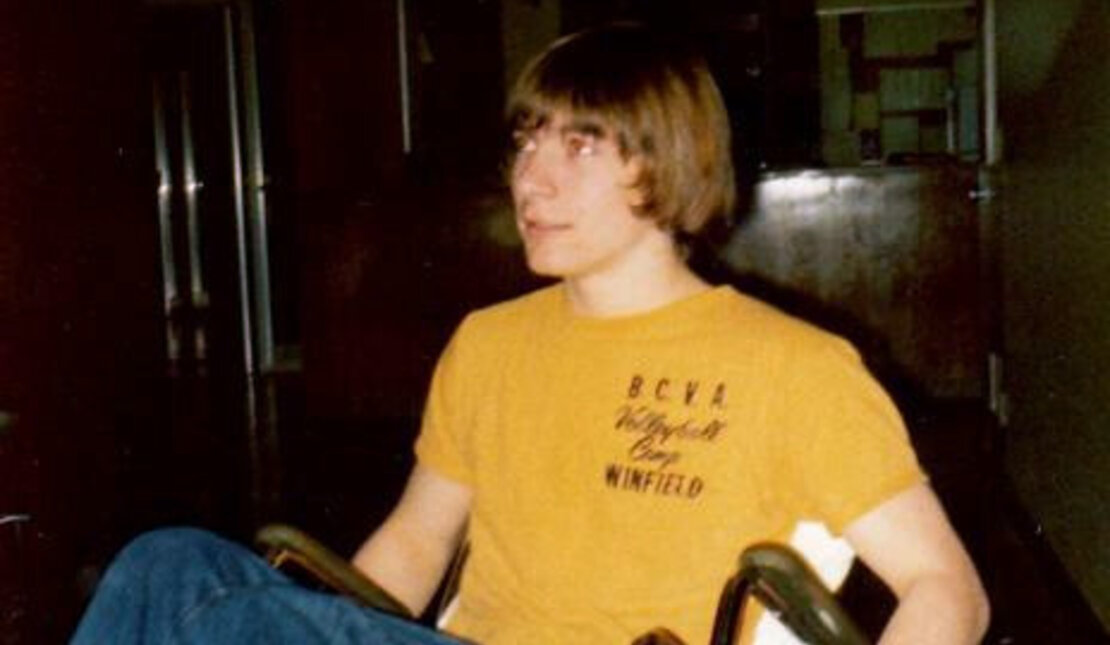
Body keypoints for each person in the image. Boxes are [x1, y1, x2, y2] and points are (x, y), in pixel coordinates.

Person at [71, 24, 989, 645]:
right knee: (169, 563)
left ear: (667, 162)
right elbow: (418, 544)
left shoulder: (793, 366)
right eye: (526, 142)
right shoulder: (489, 342)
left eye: (579, 146)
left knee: (179, 583)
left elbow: (949, 590)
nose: (532, 181)